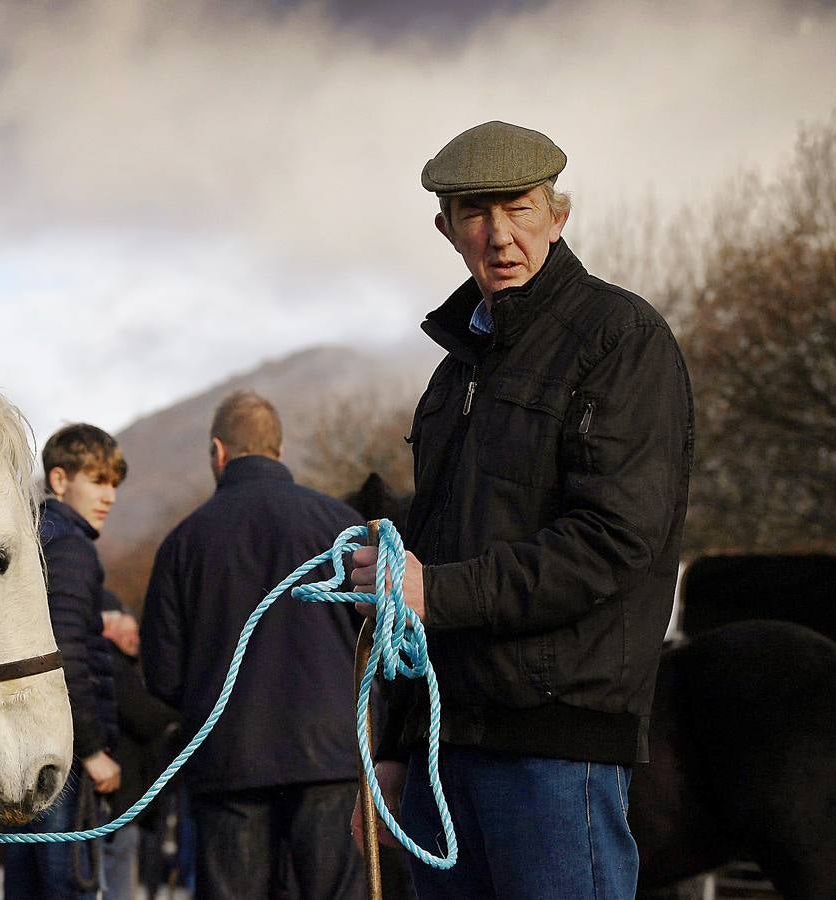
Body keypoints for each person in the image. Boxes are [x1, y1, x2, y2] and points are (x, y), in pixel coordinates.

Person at [350, 120, 694, 899]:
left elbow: (615, 541)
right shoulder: (449, 378)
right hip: (445, 748)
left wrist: (436, 591)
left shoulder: (619, 339)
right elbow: (429, 552)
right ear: (446, 229)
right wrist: (398, 740)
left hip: (556, 742)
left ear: (557, 215)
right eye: (475, 213)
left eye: (520, 209)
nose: (499, 236)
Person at [141, 389, 367, 900]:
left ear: (218, 452)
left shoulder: (183, 542)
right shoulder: (343, 527)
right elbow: (377, 645)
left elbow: (163, 675)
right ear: (278, 452)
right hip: (331, 758)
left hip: (228, 759)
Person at [3, 423, 126, 900]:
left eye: (114, 483)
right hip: (64, 757)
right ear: (59, 480)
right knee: (68, 887)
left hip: (21, 751)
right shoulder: (71, 546)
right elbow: (66, 649)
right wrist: (93, 750)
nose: (110, 496)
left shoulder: (33, 538)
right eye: (97, 480)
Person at [98, 592, 180, 900]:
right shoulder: (112, 664)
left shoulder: (121, 666)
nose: (135, 640)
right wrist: (183, 717)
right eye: (127, 634)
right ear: (108, 630)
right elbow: (143, 716)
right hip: (121, 795)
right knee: (118, 876)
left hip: (128, 794)